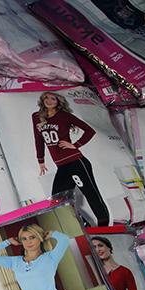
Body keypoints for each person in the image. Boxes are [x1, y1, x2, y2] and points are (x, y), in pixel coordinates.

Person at [32, 92, 109, 227]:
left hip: (76, 162)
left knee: (91, 194)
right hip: (62, 166)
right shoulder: (36, 117)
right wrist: (41, 160)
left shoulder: (64, 116)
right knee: (58, 201)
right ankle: (84, 225)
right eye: (46, 97)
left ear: (58, 102)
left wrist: (75, 145)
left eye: (53, 98)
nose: (49, 100)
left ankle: (104, 227)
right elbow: (38, 139)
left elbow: (89, 131)